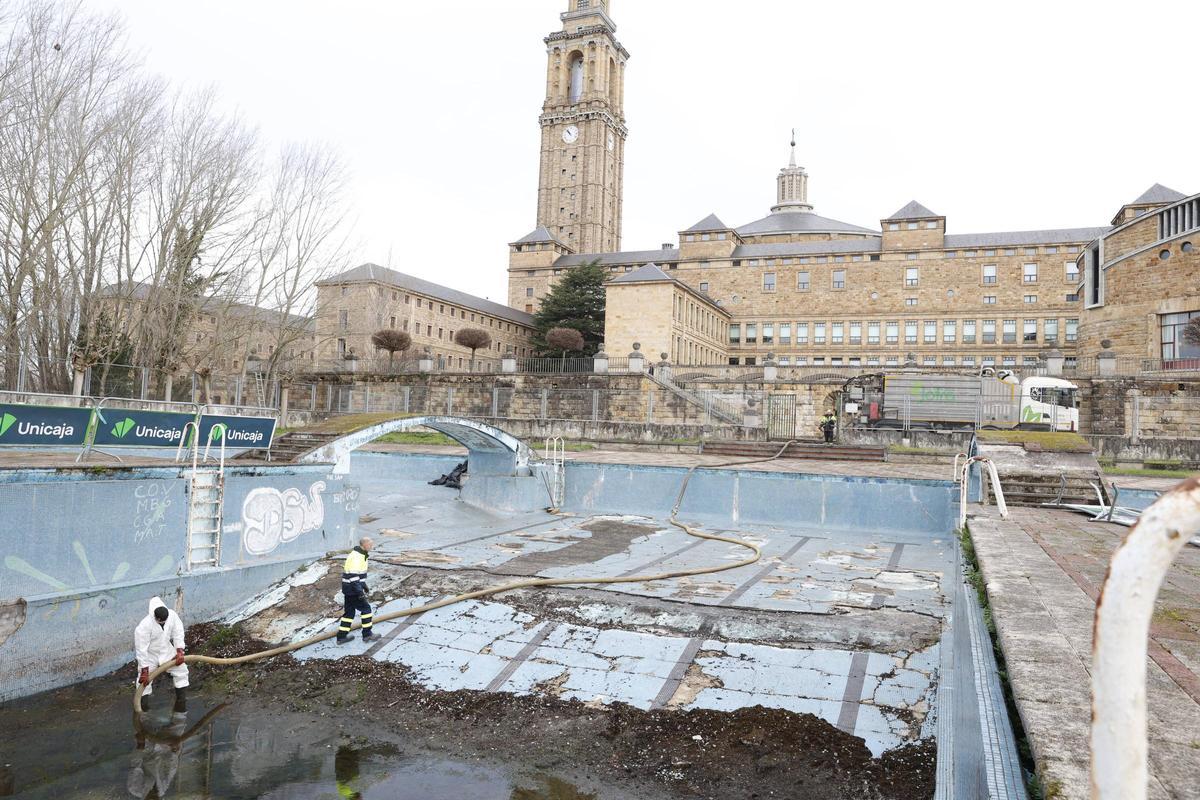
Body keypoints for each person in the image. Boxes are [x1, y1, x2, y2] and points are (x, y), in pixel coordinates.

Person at [134, 597, 188, 711]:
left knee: (181, 671)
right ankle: (143, 708)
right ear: (155, 617)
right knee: (144, 681)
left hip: (166, 651)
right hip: (151, 655)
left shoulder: (172, 615)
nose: (163, 623)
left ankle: (181, 701)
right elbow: (141, 649)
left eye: (164, 620)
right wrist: (144, 669)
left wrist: (179, 650)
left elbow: (178, 632)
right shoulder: (144, 626)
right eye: (160, 621)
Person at [337, 537, 376, 644]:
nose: (372, 546)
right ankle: (367, 635)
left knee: (349, 613)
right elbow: (353, 576)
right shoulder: (357, 556)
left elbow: (358, 573)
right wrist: (360, 592)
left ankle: (341, 637)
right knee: (366, 609)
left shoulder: (360, 554)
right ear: (364, 545)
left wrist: (364, 585)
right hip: (353, 589)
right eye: (370, 544)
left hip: (348, 589)